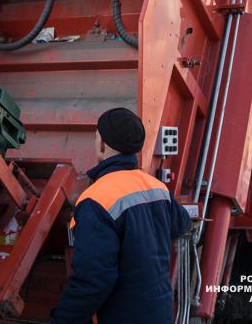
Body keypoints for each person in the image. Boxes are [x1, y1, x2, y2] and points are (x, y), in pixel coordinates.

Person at [51, 107, 191, 324]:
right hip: (160, 314)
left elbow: (92, 280)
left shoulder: (95, 199)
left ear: (102, 144)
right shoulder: (157, 188)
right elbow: (182, 224)